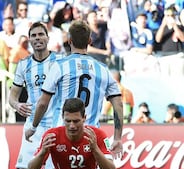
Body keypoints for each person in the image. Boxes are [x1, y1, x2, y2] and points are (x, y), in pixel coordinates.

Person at [25, 20, 123, 159]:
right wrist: (118, 138)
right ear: (89, 41)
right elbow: (118, 104)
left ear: (69, 40)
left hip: (62, 134)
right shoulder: (103, 69)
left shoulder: (59, 66)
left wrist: (33, 127)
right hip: (91, 135)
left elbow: (42, 103)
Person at [8, 22, 62, 169]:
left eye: (41, 35)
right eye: (34, 35)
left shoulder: (59, 62)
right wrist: (17, 105)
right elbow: (12, 96)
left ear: (48, 38)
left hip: (56, 126)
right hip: (33, 128)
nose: (38, 38)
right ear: (29, 40)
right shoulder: (23, 64)